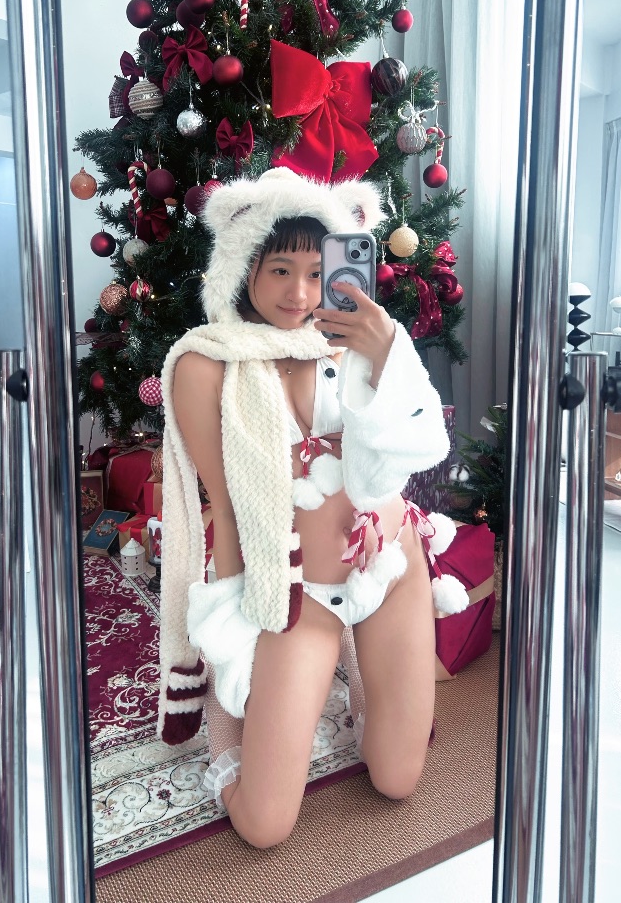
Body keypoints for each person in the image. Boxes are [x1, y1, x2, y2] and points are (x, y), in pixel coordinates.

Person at [157, 167, 464, 849]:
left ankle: (363, 678)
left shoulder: (364, 342)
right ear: (243, 271)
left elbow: (423, 447)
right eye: (279, 271)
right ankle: (229, 730)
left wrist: (386, 354)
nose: (299, 293)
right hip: (299, 596)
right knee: (264, 825)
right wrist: (235, 639)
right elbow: (228, 511)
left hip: (389, 570)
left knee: (397, 778)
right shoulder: (209, 366)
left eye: (317, 272)